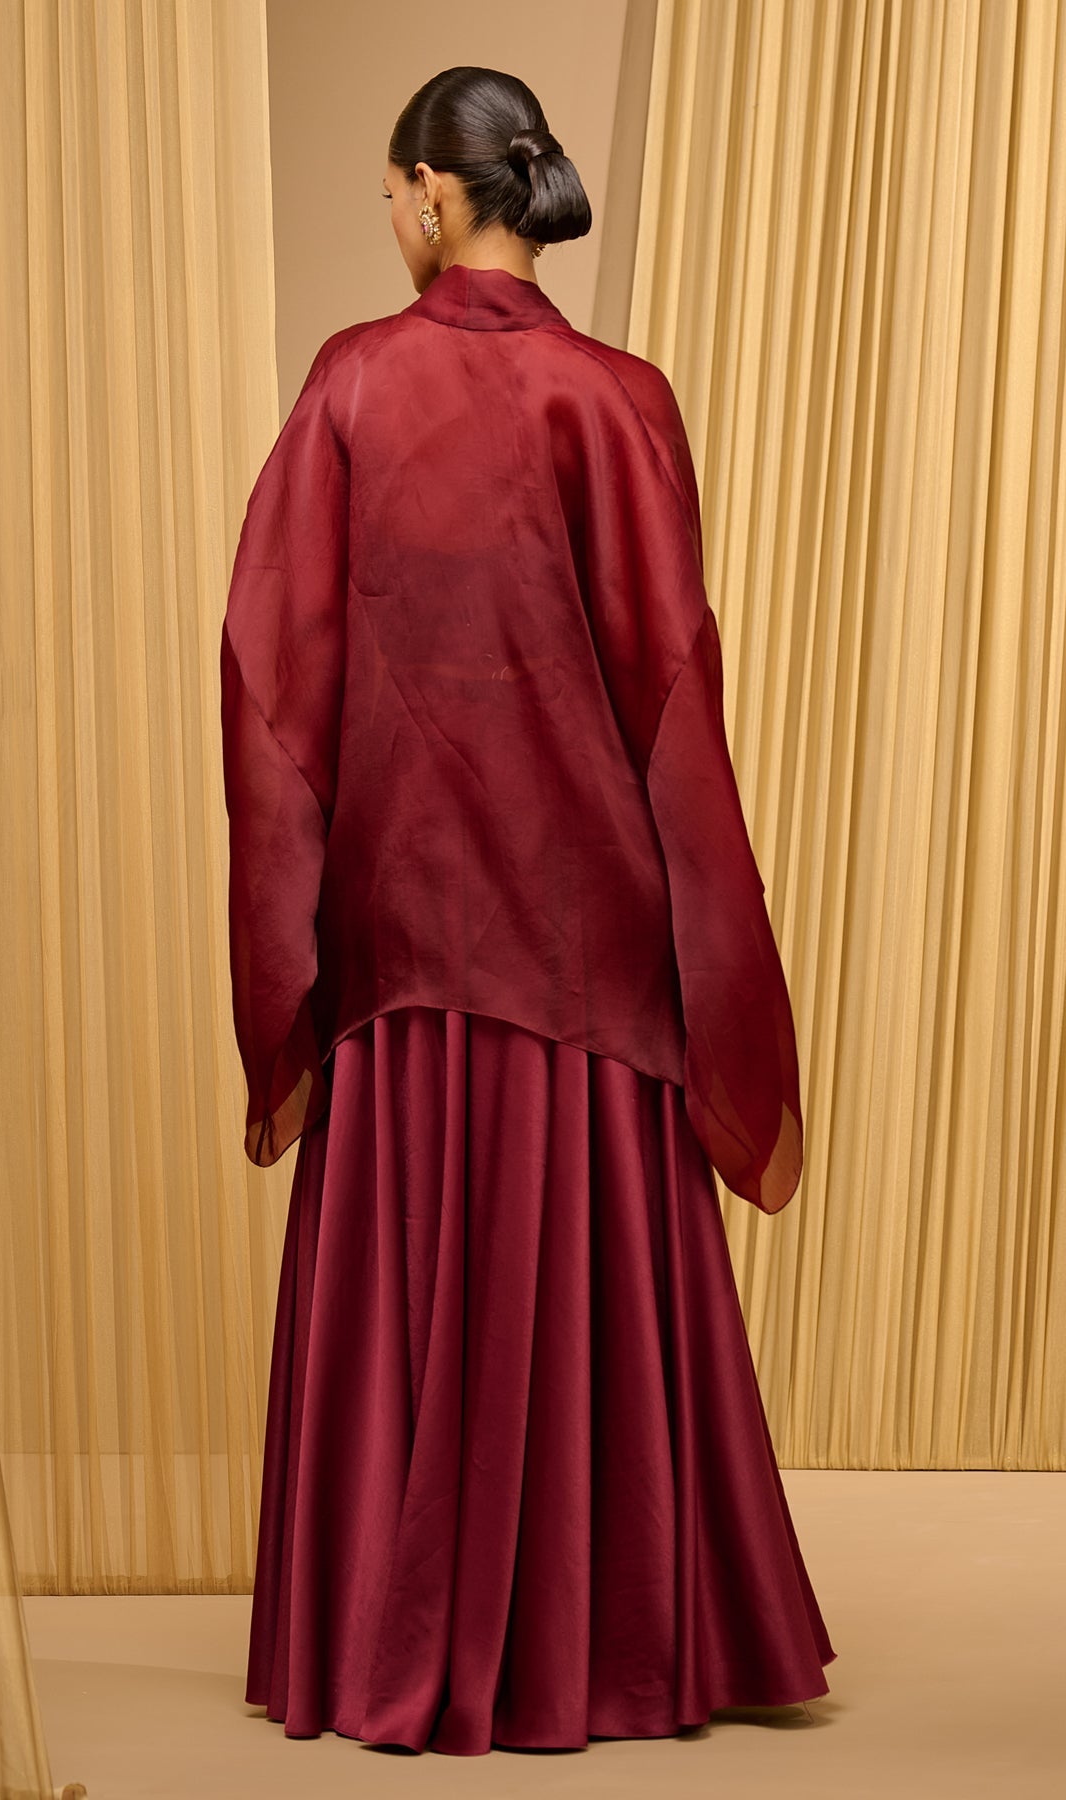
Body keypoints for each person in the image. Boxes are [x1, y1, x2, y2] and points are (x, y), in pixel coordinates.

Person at [223, 65, 835, 1756]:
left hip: (410, 921)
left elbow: (273, 683)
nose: (391, 217)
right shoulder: (622, 399)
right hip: (590, 931)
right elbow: (671, 684)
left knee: (412, 1259)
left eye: (391, 192)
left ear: (434, 192)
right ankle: (623, 1638)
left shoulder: (353, 383)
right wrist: (700, 925)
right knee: (601, 1268)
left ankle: (390, 1634)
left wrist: (294, 922)